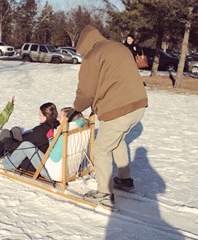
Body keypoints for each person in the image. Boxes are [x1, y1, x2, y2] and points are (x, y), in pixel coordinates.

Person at [70, 25, 148, 206]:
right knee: (117, 140)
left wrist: (76, 108)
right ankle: (125, 179)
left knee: (101, 149)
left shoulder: (92, 56)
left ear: (84, 45)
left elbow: (86, 92)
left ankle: (104, 191)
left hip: (118, 109)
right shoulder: (118, 47)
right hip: (139, 104)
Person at [0, 102, 60, 178]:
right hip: (45, 157)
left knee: (10, 142)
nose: (39, 117)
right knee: (16, 134)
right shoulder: (57, 127)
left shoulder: (41, 130)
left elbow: (24, 145)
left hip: (34, 165)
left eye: (40, 115)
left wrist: (9, 146)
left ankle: (6, 163)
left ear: (45, 116)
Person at [44, 107, 89, 181]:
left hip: (56, 173)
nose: (58, 119)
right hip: (72, 170)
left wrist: (50, 139)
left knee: (26, 146)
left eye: (60, 117)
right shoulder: (81, 129)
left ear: (67, 120)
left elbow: (54, 157)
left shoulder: (65, 135)